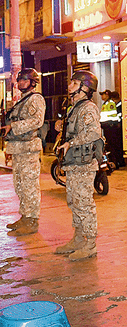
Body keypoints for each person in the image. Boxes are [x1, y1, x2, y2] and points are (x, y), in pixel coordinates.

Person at [54, 70, 103, 261]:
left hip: (83, 164)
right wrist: (62, 124)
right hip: (73, 164)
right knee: (74, 202)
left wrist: (70, 143)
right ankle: (78, 238)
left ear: (85, 88)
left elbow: (93, 133)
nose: (69, 87)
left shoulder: (88, 108)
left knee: (84, 204)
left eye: (74, 83)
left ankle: (90, 244)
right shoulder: (74, 107)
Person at [4, 68, 46, 236]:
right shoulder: (21, 100)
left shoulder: (36, 99)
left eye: (25, 80)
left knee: (29, 185)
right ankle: (25, 216)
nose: (21, 83)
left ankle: (32, 220)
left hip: (29, 148)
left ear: (33, 82)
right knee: (20, 185)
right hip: (19, 148)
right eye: (20, 80)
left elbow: (37, 120)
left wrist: (13, 127)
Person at [99, 90, 120, 169]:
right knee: (109, 145)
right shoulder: (106, 103)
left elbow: (112, 116)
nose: (102, 97)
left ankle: (114, 163)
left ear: (107, 95)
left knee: (112, 146)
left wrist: (108, 124)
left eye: (103, 95)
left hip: (110, 127)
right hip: (106, 127)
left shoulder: (110, 103)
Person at [111, 91, 126, 168]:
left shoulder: (119, 105)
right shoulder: (117, 105)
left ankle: (120, 161)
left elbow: (119, 117)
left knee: (118, 146)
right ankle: (120, 161)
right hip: (118, 127)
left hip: (119, 128)